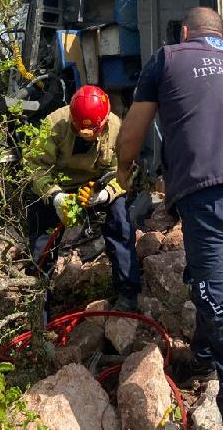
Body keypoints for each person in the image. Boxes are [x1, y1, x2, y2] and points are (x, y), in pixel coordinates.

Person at [116, 7, 223, 430]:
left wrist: (123, 171)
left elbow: (133, 133)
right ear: (222, 34)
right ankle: (202, 357)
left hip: (212, 196)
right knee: (211, 276)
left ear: (186, 31)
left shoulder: (169, 57)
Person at [26, 84, 140, 311]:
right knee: (41, 234)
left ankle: (127, 291)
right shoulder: (53, 124)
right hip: (58, 187)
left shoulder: (116, 127)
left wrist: (107, 194)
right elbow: (34, 167)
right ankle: (40, 298)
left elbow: (127, 170)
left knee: (120, 221)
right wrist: (55, 196)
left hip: (96, 189)